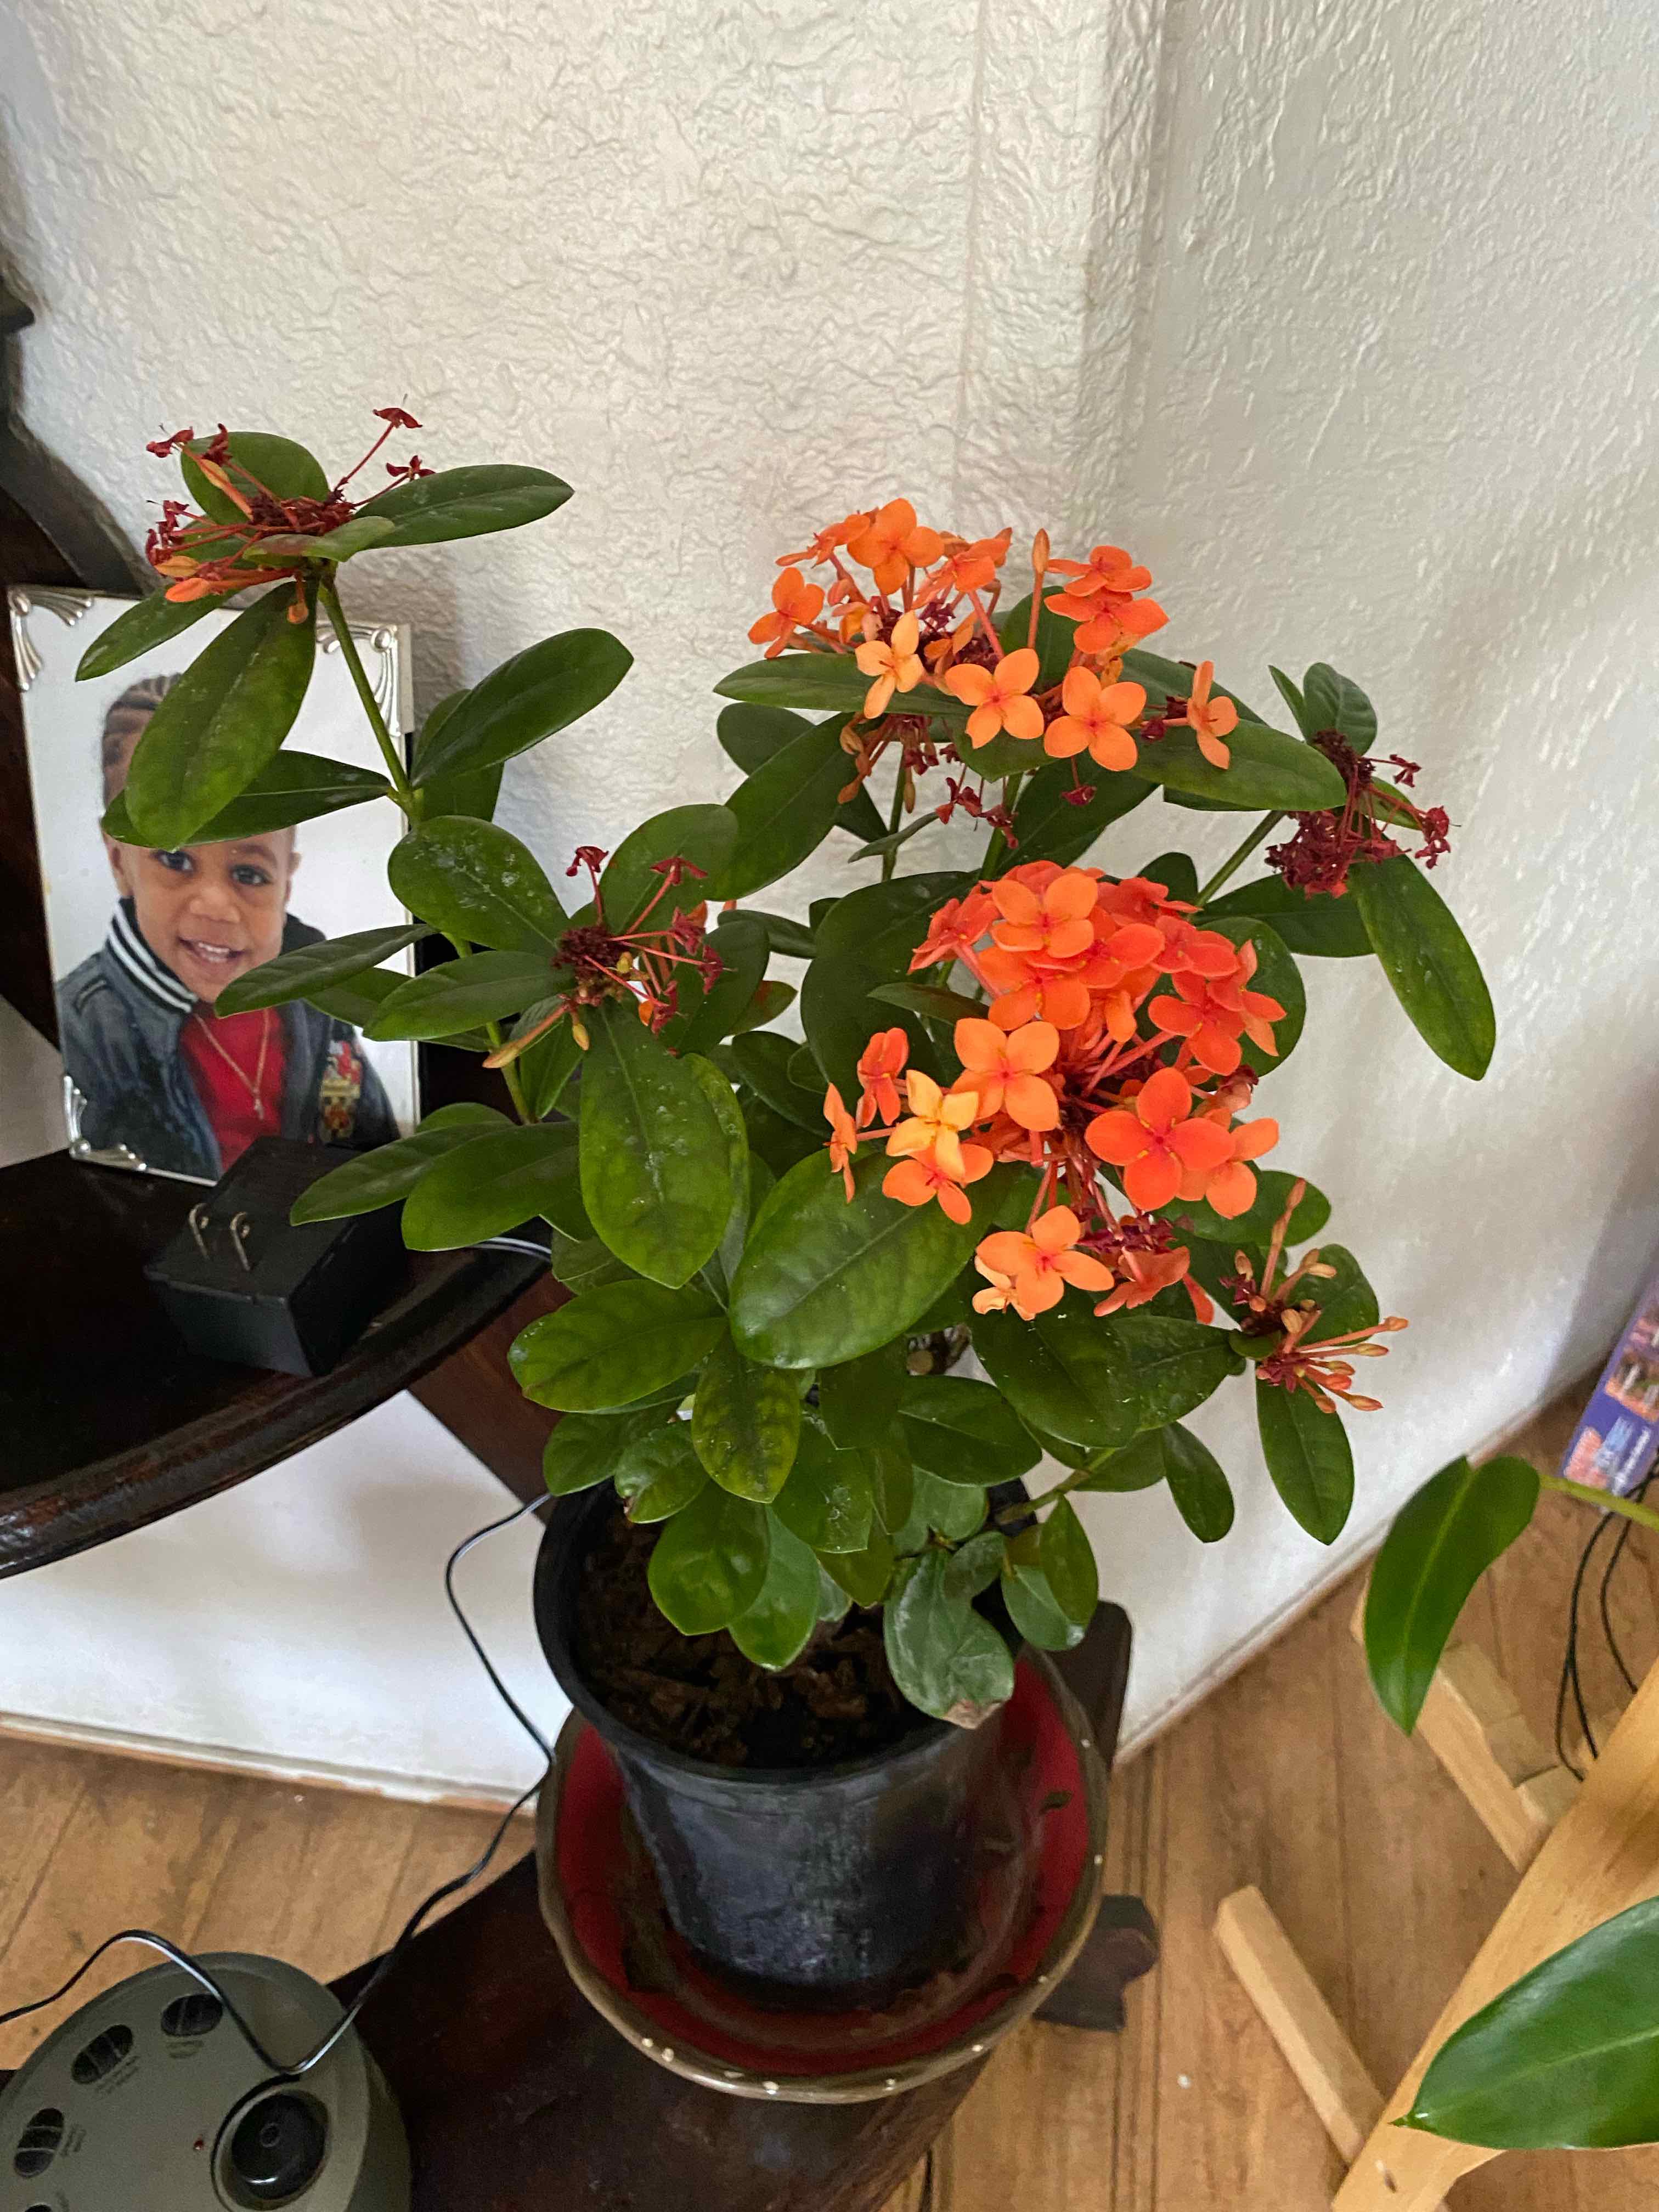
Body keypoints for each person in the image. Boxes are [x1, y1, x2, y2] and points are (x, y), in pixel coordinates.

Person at [56, 674, 400, 1182]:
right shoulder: (90, 1024)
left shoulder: (319, 998)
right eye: (174, 861)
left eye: (249, 874)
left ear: (286, 883)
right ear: (118, 860)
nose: (216, 906)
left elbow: (370, 1136)